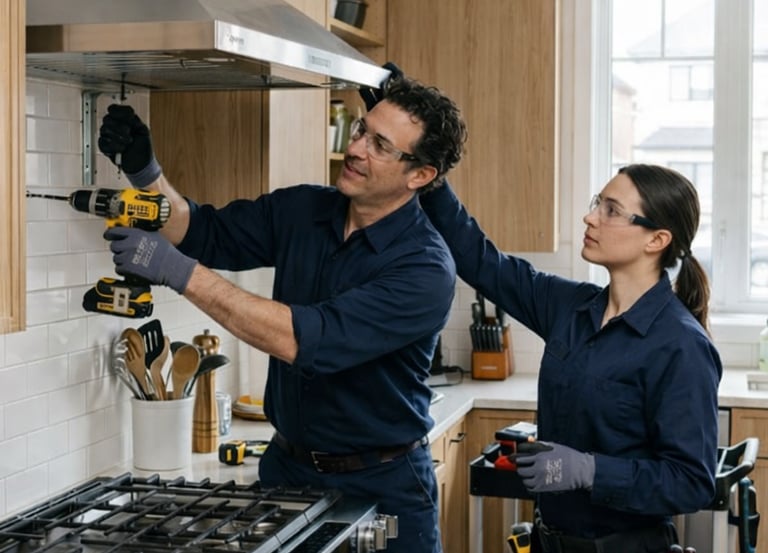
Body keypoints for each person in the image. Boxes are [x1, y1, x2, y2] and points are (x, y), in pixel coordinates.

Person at [96, 74, 467, 553]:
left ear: (420, 175)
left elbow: (305, 339)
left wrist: (176, 271)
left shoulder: (424, 268)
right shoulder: (304, 210)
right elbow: (203, 232)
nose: (356, 149)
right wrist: (147, 175)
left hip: (383, 487)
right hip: (286, 477)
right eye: (360, 131)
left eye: (380, 145)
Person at [420, 164, 722, 552]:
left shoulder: (681, 345)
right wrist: (428, 174)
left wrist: (590, 471)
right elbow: (483, 263)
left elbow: (691, 483)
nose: (590, 216)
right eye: (599, 203)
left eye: (611, 210)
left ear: (657, 239)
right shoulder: (572, 307)